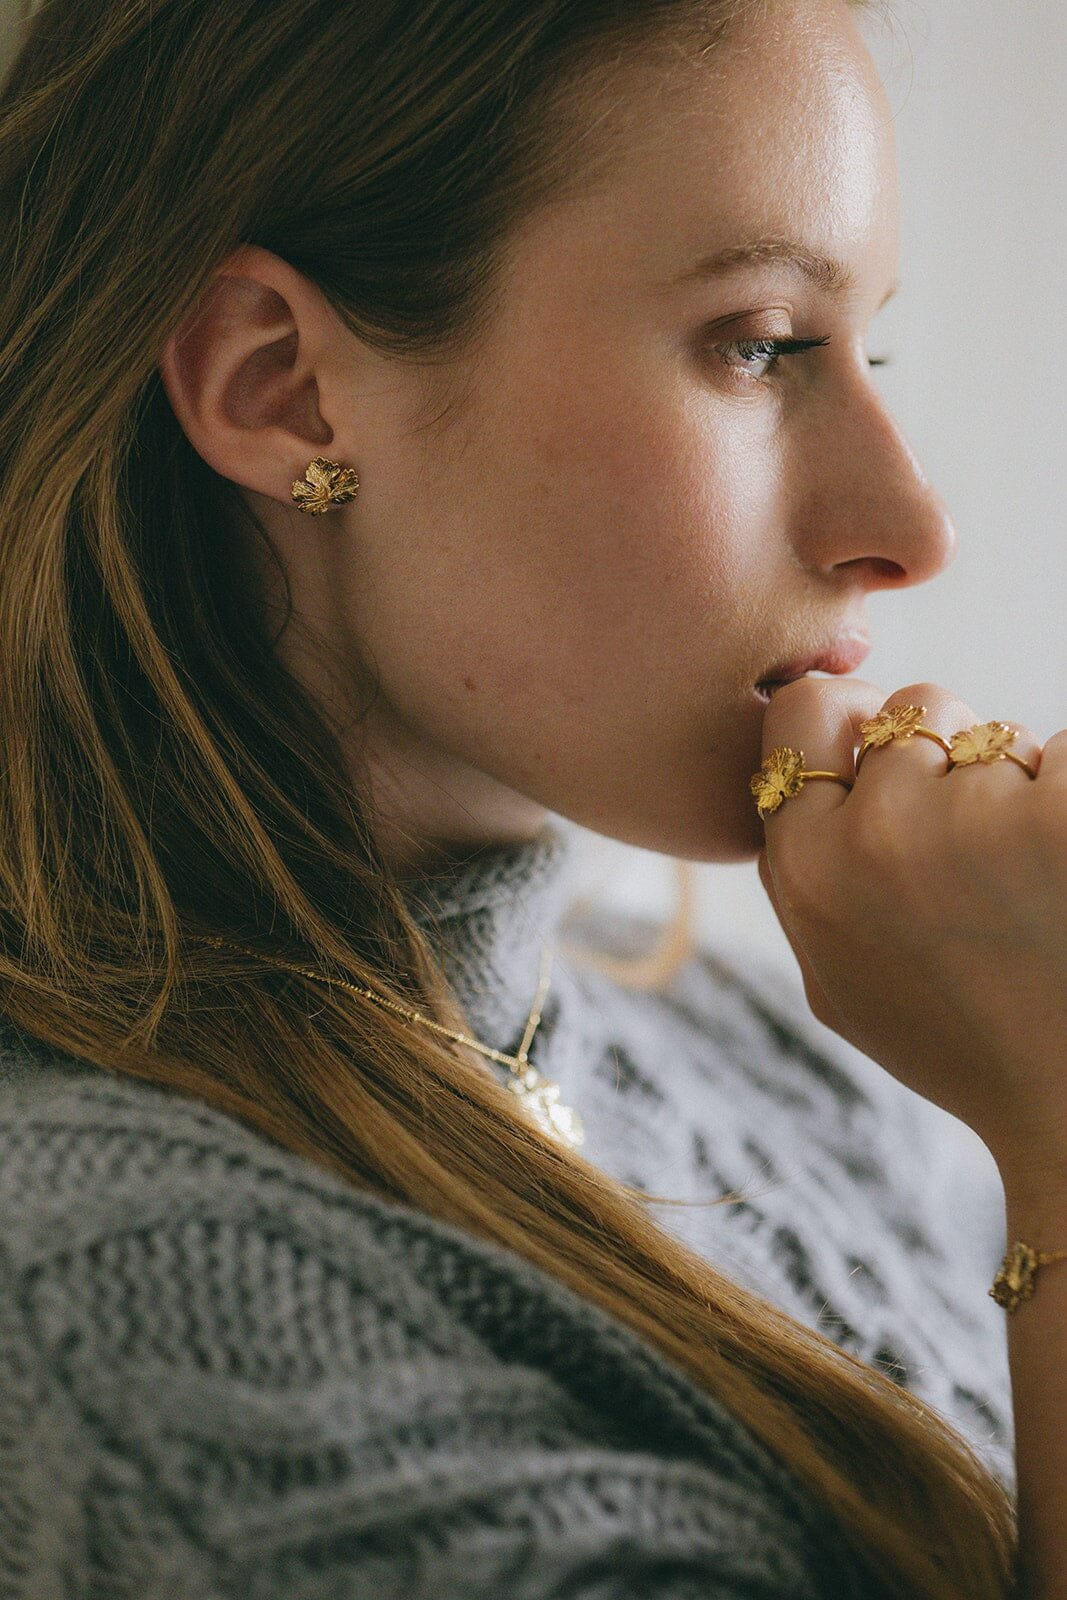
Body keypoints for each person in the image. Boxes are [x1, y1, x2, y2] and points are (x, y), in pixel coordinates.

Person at [0, 0, 1058, 1594]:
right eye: (760, 344)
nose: (909, 526)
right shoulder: (121, 1296)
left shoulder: (779, 1069)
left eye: (873, 346)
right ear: (279, 386)